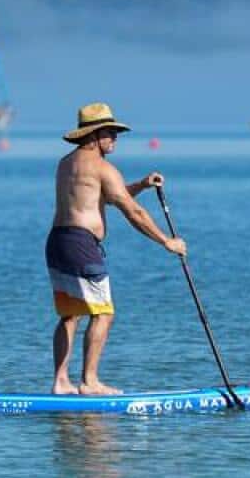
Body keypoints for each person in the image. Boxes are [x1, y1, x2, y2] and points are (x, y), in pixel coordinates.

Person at [46, 102, 187, 395]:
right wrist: (166, 241)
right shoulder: (103, 168)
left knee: (71, 314)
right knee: (104, 313)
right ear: (95, 135)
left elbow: (105, 197)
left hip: (58, 240)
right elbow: (132, 212)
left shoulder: (66, 163)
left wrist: (142, 184)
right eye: (110, 133)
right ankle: (90, 381)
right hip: (81, 244)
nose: (115, 138)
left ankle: (61, 381)